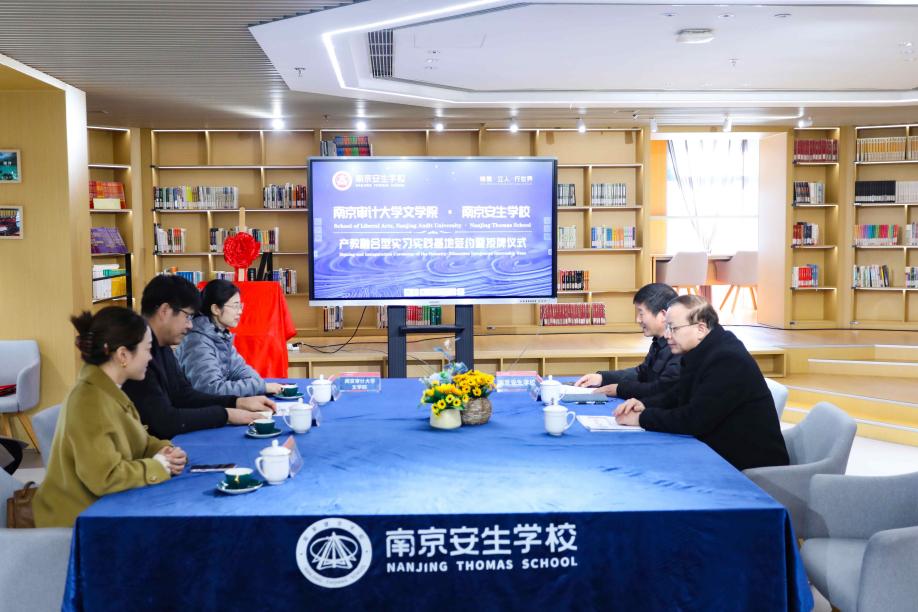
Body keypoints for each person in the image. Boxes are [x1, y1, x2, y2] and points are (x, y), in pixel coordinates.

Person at [33, 307, 187, 528]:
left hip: (108, 507)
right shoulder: (89, 401)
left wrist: (165, 451)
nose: (150, 357)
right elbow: (105, 477)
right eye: (147, 349)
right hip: (81, 522)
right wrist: (158, 465)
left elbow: (139, 441)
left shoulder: (109, 389)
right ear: (123, 355)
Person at [614, 295, 789, 471]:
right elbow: (678, 393)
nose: (667, 335)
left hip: (747, 467)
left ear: (700, 329)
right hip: (717, 452)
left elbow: (694, 419)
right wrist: (644, 405)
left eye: (673, 328)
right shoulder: (706, 348)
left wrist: (642, 418)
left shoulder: (727, 359)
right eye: (667, 327)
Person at [123, 275, 275, 439]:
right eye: (187, 316)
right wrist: (226, 414)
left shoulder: (161, 346)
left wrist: (236, 402)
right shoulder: (137, 353)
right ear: (165, 311)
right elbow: (165, 420)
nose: (190, 325)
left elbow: (184, 395)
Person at [574, 283, 680, 406]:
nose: (637, 320)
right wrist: (602, 378)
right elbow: (640, 374)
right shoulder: (658, 342)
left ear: (663, 315)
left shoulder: (678, 348)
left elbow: (660, 390)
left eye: (641, 313)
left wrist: (618, 389)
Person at [177, 279, 283, 397]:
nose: (240, 311)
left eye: (240, 305)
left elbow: (239, 369)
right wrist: (261, 387)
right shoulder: (197, 342)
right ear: (216, 309)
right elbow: (211, 389)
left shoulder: (220, 334)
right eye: (235, 306)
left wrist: (259, 384)